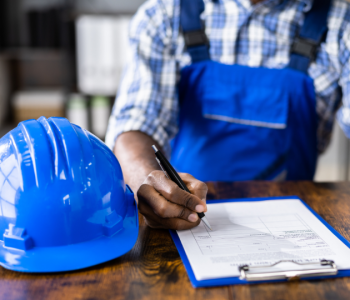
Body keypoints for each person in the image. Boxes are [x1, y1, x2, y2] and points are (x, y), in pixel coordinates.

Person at [106, 0, 350, 230]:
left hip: (295, 223)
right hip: (186, 218)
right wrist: (147, 184)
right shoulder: (164, 15)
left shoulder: (341, 23)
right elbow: (135, 124)